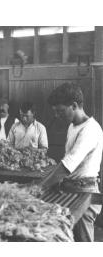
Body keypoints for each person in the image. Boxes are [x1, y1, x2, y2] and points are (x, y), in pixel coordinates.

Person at [44, 82, 103, 242]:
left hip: (85, 193)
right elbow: (67, 160)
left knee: (83, 242)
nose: (57, 115)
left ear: (74, 105)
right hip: (71, 190)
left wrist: (40, 186)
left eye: (60, 111)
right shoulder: (72, 126)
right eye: (55, 112)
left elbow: (68, 165)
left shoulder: (90, 129)